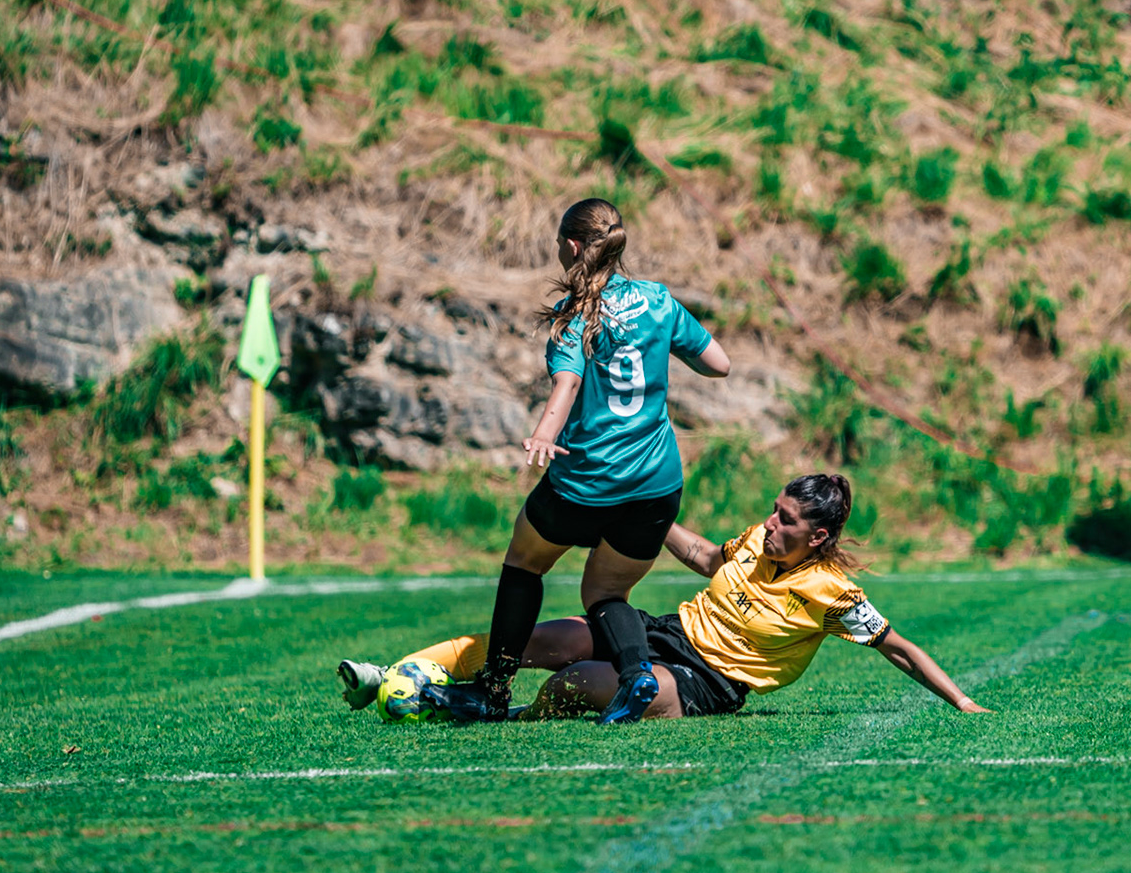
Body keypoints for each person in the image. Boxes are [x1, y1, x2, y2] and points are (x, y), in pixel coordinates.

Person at [338, 474, 992, 721]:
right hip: (662, 633)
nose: (771, 523)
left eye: (787, 519)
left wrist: (961, 701)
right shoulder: (754, 542)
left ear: (817, 536)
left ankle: (493, 713)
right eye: (774, 509)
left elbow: (898, 648)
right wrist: (651, 514)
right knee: (545, 639)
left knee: (575, 683)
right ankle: (399, 672)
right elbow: (707, 558)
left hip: (708, 682)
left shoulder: (833, 593)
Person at [438, 197, 731, 726]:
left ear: (573, 247)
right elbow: (719, 364)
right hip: (656, 483)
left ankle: (493, 690)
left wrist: (543, 433)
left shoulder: (575, 313)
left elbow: (568, 383)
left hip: (588, 481)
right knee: (605, 591)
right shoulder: (658, 301)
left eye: (558, 243)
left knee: (524, 562)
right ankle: (636, 674)